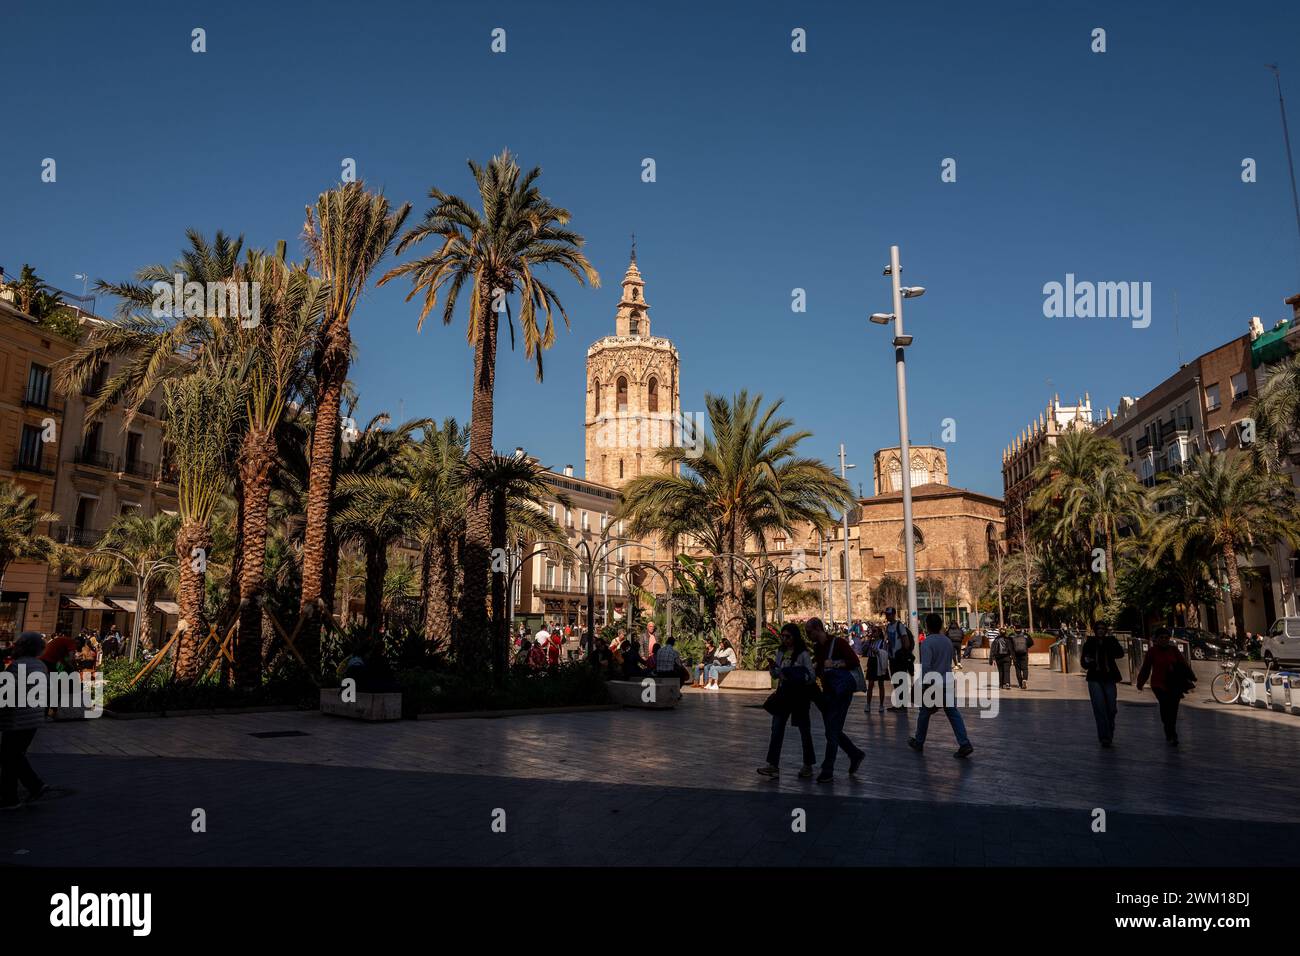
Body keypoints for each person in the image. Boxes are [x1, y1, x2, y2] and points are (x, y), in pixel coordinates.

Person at [907, 614, 974, 758]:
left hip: (933, 683)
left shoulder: (927, 642)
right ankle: (964, 743)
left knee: (924, 713)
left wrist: (925, 684)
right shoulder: (947, 641)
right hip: (948, 681)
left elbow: (926, 666)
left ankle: (919, 742)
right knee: (953, 714)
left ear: (927, 626)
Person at [808, 617, 865, 783]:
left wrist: (834, 664)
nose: (808, 635)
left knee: (832, 731)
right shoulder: (818, 647)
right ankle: (855, 754)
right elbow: (820, 668)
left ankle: (828, 769)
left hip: (841, 693)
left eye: (809, 632)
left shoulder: (838, 643)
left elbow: (854, 662)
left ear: (818, 628)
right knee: (832, 730)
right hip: (828, 692)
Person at [757, 623, 818, 779]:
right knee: (776, 729)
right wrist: (773, 669)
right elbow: (776, 675)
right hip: (783, 694)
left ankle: (808, 765)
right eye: (782, 636)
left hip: (799, 696)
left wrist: (795, 675)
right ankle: (773, 765)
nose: (785, 639)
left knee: (804, 730)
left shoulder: (802, 654)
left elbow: (811, 675)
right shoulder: (781, 652)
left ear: (795, 637)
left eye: (788, 636)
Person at [1, 632, 50, 810]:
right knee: (15, 756)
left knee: (9, 758)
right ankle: (35, 785)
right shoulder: (40, 665)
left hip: (17, 719)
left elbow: (5, 694)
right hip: (33, 719)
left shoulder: (17, 666)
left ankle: (10, 797)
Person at [1136, 628, 1196, 746]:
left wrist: (1191, 680)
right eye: (1161, 638)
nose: (1164, 640)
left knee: (1173, 709)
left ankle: (1171, 732)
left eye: (1166, 638)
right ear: (1156, 639)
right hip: (1158, 684)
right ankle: (1169, 731)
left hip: (1174, 684)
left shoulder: (1174, 650)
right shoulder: (1152, 652)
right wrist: (1140, 683)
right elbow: (1146, 668)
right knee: (1165, 707)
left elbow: (1184, 665)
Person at [1081, 622, 1124, 747]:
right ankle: (1104, 737)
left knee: (1111, 708)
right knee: (1099, 708)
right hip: (1095, 678)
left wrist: (1110, 644)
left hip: (1109, 678)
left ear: (1106, 630)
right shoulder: (1089, 643)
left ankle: (1109, 729)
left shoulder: (1111, 641)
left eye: (1103, 629)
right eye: (1098, 629)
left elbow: (1120, 654)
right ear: (1095, 630)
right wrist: (1089, 661)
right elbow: (1084, 663)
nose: (1100, 631)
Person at [884, 607, 914, 710]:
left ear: (894, 614)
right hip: (892, 658)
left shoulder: (899, 626)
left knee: (901, 680)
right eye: (887, 614)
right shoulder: (888, 627)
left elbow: (906, 641)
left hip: (900, 658)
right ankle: (899, 703)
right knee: (896, 680)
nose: (888, 616)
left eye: (889, 614)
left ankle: (903, 704)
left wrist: (903, 652)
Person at [862, 624, 891, 714]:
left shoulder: (882, 642)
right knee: (870, 684)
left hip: (879, 662)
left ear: (879, 633)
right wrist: (868, 640)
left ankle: (881, 705)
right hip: (872, 662)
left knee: (881, 684)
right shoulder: (870, 642)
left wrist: (878, 651)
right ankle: (868, 704)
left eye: (875, 631)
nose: (873, 633)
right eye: (872, 631)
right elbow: (863, 650)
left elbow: (885, 653)